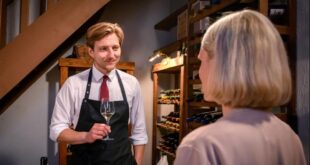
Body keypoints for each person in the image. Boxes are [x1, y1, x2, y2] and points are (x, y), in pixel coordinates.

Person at [174, 10, 306, 165]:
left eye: (202, 61)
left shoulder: (201, 146)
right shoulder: (290, 138)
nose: (200, 73)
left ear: (223, 65)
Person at [50, 22, 148, 165]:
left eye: (115, 48)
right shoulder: (74, 84)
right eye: (103, 49)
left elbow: (139, 133)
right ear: (91, 51)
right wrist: (86, 136)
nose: (111, 55)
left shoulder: (131, 83)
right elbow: (56, 130)